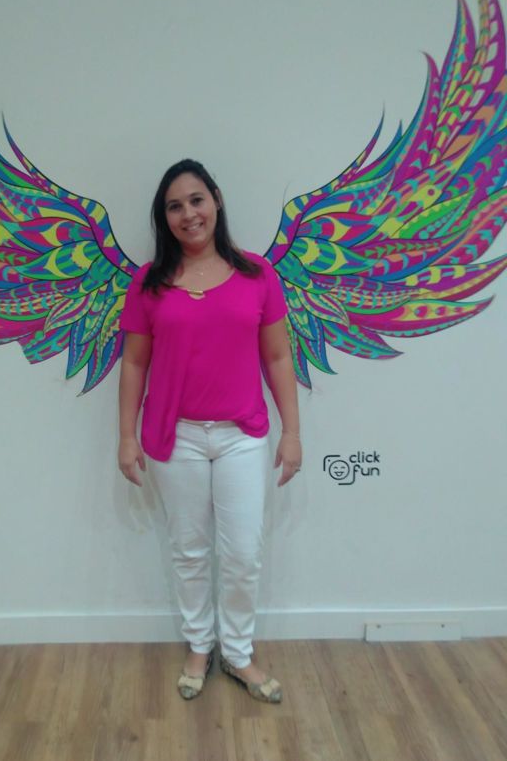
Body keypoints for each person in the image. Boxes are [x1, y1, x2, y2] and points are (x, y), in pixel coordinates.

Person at [118, 158, 302, 703]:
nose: (188, 214)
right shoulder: (149, 283)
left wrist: (292, 432)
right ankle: (200, 645)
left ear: (216, 200)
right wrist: (126, 436)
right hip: (175, 439)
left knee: (243, 553)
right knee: (189, 551)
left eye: (196, 200)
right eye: (174, 206)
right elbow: (134, 363)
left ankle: (238, 653)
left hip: (242, 435)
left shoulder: (257, 275)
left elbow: (277, 356)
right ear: (165, 218)